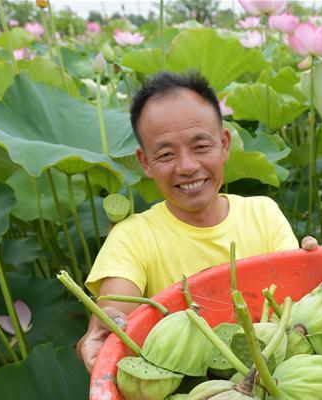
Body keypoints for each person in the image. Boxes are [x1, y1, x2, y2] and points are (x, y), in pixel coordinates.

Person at [77, 71, 300, 372]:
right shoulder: (132, 236)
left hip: (276, 373)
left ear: (224, 144)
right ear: (145, 162)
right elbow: (110, 320)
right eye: (166, 154)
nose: (187, 166)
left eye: (201, 147)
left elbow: (297, 305)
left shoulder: (264, 214)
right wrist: (96, 339)